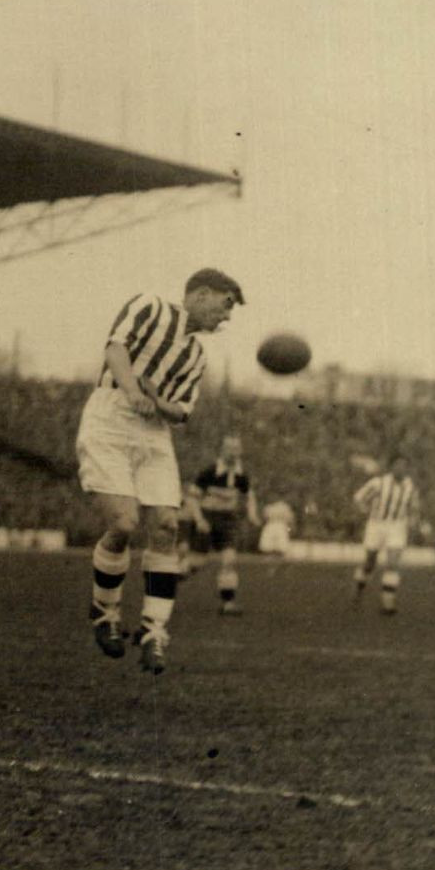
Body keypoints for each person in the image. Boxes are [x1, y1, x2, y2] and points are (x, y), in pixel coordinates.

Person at [76, 268, 243, 673]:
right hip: (111, 415)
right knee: (124, 523)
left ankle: (154, 630)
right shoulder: (148, 305)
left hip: (154, 431)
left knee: (168, 524)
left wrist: (155, 399)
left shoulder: (197, 356)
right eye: (225, 306)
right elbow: (114, 350)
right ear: (201, 294)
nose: (227, 319)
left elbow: (181, 411)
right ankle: (105, 610)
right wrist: (135, 391)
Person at [182, 434, 262, 616]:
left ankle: (228, 603)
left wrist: (252, 514)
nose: (233, 453)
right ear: (222, 450)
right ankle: (173, 577)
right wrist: (199, 519)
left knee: (229, 560)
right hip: (207, 519)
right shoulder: (209, 472)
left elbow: (249, 496)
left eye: (237, 449)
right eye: (230, 449)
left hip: (227, 521)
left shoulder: (241, 475)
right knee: (196, 563)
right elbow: (193, 498)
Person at [351, 454, 420, 614]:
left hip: (397, 526)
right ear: (392, 467)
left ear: (407, 469)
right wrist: (365, 511)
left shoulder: (410, 487)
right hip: (376, 525)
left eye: (404, 466)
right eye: (398, 465)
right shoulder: (379, 483)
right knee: (370, 562)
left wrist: (413, 522)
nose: (401, 469)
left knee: (393, 562)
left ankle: (388, 601)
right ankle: (358, 589)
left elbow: (414, 508)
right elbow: (359, 498)